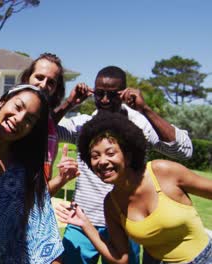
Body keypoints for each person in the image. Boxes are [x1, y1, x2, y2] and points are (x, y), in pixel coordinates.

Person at [54, 66, 194, 264]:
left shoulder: (139, 126)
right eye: (99, 93)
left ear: (125, 93)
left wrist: (145, 109)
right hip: (82, 220)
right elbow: (43, 131)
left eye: (112, 95)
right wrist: (69, 103)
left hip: (127, 221)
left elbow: (183, 150)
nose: (104, 100)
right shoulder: (83, 125)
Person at [55, 111, 212, 264]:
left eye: (110, 153)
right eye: (95, 156)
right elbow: (120, 259)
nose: (102, 161)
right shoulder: (112, 204)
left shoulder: (162, 172)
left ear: (128, 155)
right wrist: (85, 224)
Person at [0, 84, 77, 263]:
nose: (19, 119)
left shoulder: (25, 175)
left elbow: (47, 246)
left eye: (29, 120)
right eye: (17, 107)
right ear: (2, 102)